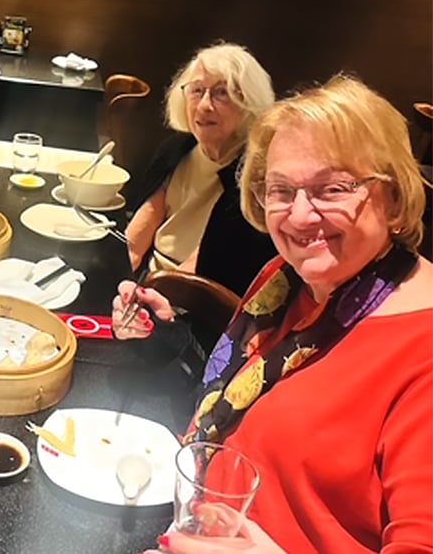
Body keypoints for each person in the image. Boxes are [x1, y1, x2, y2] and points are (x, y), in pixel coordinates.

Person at [114, 75, 432, 553]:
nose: (300, 216)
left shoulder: (420, 348)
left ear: (392, 195)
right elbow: (241, 411)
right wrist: (167, 339)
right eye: (281, 190)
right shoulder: (284, 280)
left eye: (333, 188)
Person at [125, 42, 277, 297]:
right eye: (196, 90)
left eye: (222, 93)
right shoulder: (177, 149)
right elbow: (145, 222)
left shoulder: (254, 175)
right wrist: (117, 273)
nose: (205, 105)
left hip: (201, 299)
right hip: (149, 280)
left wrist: (154, 296)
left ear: (249, 102)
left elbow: (204, 266)